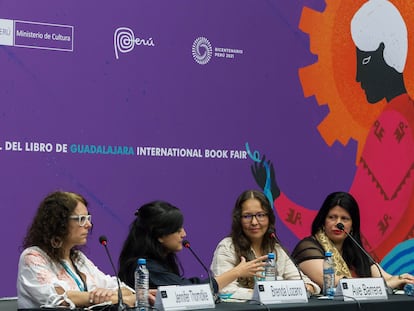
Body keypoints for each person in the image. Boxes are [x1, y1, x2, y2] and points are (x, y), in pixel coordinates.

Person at [17, 191, 144, 309]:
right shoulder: (33, 257)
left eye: (88, 218)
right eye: (81, 219)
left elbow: (123, 288)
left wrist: (109, 295)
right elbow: (61, 298)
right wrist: (110, 298)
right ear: (59, 223)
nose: (89, 225)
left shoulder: (78, 258)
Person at [118, 200, 267, 294]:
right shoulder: (145, 267)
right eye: (178, 230)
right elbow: (187, 291)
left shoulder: (161, 259)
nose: (184, 234)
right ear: (160, 236)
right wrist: (236, 272)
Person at [291, 191, 414, 291]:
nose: (338, 223)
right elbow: (332, 283)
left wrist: (402, 279)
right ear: (323, 221)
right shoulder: (308, 247)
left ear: (352, 226)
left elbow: (386, 278)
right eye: (332, 217)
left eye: (344, 219)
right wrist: (385, 285)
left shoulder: (354, 249)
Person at [210, 190, 320, 300]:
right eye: (247, 216)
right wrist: (269, 292)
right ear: (239, 220)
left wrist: (306, 288)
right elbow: (224, 291)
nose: (254, 222)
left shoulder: (276, 249)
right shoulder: (227, 247)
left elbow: (304, 283)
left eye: (260, 215)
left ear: (269, 218)